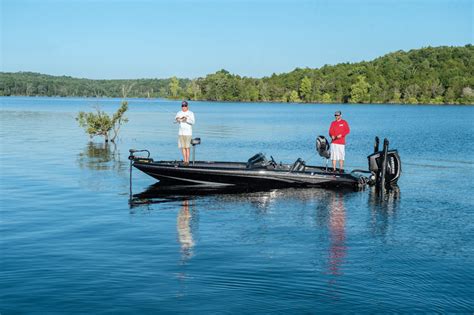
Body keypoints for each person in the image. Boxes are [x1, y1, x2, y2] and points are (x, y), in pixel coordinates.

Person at [175, 101, 195, 166]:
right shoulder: (179, 113)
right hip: (181, 133)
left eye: (185, 106)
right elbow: (175, 120)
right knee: (183, 147)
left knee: (187, 147)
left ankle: (187, 161)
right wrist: (177, 119)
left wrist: (186, 120)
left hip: (188, 133)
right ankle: (184, 161)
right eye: (183, 106)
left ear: (187, 106)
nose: (184, 107)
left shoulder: (190, 113)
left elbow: (193, 122)